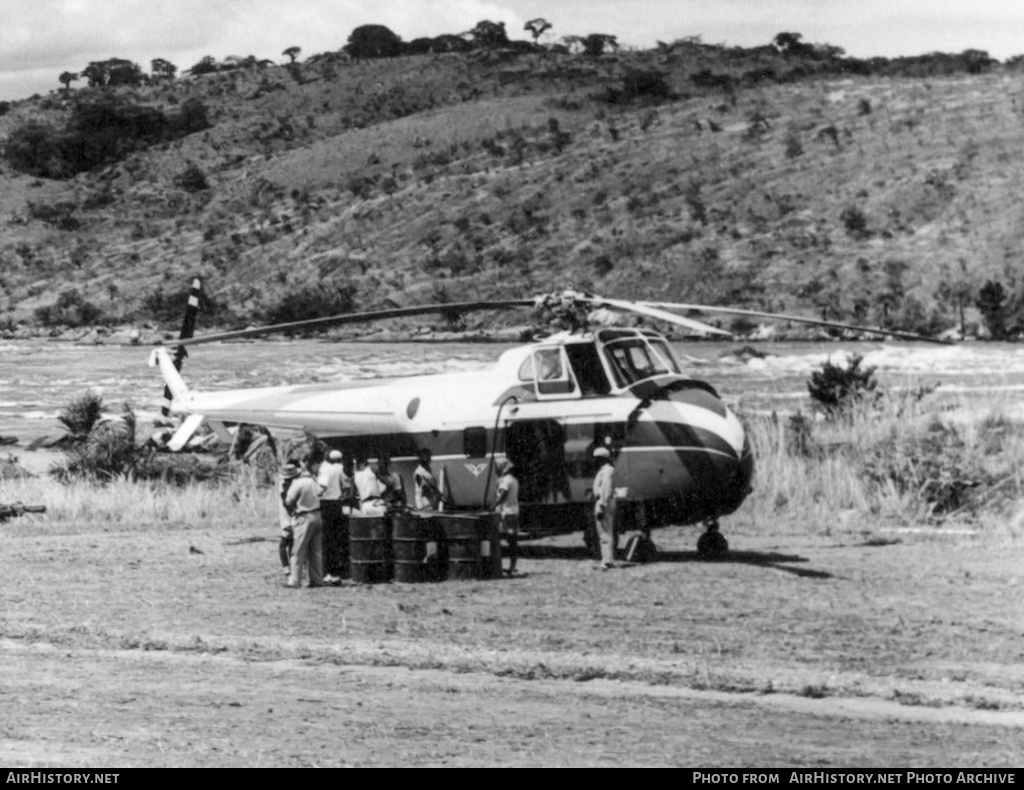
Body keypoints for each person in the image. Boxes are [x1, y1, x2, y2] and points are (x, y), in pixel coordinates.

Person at [284, 456, 323, 588]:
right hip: (317, 515)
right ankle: (317, 580)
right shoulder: (312, 480)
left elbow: (288, 501)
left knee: (298, 551)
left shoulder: (297, 484)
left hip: (304, 517)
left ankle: (295, 580)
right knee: (316, 551)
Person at [316, 449, 350, 583]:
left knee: (326, 540)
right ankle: (337, 572)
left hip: (326, 505)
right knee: (336, 539)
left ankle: (326, 572)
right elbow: (346, 485)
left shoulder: (325, 468)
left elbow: (322, 487)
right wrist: (341, 496)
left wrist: (313, 493)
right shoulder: (339, 469)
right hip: (337, 504)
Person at [493, 458, 520, 576]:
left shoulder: (506, 481)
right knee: (512, 541)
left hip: (507, 513)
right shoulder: (513, 480)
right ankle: (512, 566)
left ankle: (508, 567)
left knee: (508, 539)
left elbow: (502, 497)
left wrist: (492, 506)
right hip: (513, 511)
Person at [592, 446, 618, 570]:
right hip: (605, 501)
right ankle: (608, 559)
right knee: (605, 532)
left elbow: (605, 489)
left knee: (604, 532)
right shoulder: (606, 470)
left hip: (603, 502)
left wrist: (602, 505)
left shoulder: (607, 471)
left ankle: (607, 561)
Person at [277, 460, 300, 576]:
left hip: (287, 519)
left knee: (282, 545)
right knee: (291, 544)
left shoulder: (284, 488)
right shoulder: (295, 487)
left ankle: (286, 567)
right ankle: (290, 566)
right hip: (293, 518)